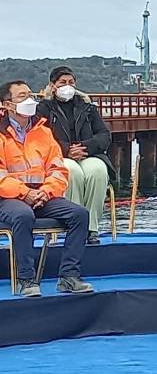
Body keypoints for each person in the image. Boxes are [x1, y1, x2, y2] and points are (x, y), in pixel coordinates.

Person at [0, 80, 93, 297]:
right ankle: (26, 279)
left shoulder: (43, 131)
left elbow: (58, 169)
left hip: (43, 194)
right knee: (23, 216)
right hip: (8, 198)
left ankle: (69, 277)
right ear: (7, 105)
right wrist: (25, 193)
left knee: (79, 214)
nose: (29, 100)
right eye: (22, 97)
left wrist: (46, 192)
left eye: (29, 95)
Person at [37, 66, 115, 246]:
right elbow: (40, 137)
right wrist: (67, 150)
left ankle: (92, 228)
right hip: (59, 156)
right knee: (71, 172)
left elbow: (104, 135)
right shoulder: (44, 109)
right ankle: (76, 226)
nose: (67, 86)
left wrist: (85, 147)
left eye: (71, 82)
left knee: (98, 171)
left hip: (88, 154)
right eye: (62, 82)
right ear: (53, 86)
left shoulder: (87, 107)